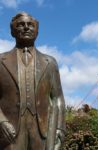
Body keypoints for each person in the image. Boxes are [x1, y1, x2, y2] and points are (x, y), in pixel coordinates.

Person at [0, 12, 65, 150]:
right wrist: (1, 121)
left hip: (42, 132)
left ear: (37, 31)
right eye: (20, 25)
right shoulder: (1, 61)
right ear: (12, 31)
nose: (26, 27)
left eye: (30, 25)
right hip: (9, 132)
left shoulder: (50, 63)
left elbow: (58, 98)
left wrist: (59, 130)